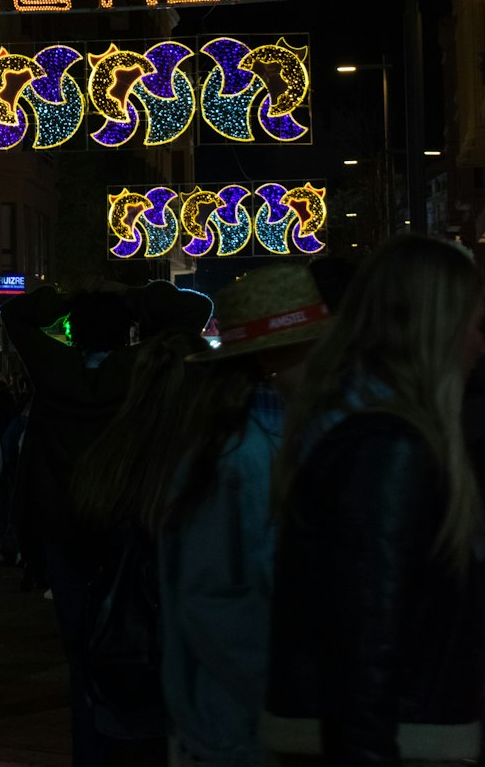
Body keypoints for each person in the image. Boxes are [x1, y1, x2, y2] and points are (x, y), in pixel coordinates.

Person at [265, 234, 485, 765]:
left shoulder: (368, 433)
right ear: (436, 329)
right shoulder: (391, 450)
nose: (480, 344)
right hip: (404, 737)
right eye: (476, 325)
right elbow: (365, 640)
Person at [1, 278, 212, 766]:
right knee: (141, 640)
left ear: (74, 333)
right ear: (126, 332)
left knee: (79, 659)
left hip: (64, 530)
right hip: (129, 527)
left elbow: (15, 316)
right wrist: (133, 297)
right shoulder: (139, 369)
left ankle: (90, 754)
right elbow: (193, 312)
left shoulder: (52, 370)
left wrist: (66, 297)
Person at [149, 263, 328, 767]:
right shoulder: (240, 457)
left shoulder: (257, 444)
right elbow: (214, 604)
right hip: (241, 728)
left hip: (246, 722)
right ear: (282, 356)